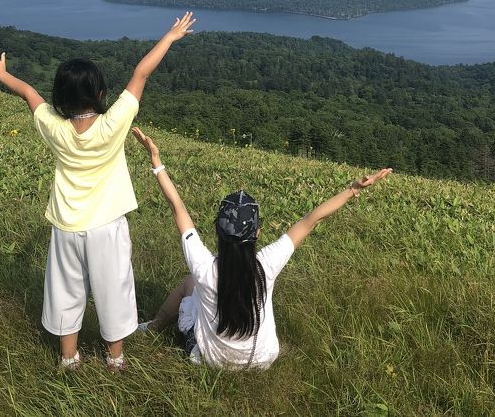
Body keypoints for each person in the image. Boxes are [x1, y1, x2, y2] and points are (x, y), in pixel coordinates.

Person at [0, 12, 196, 371]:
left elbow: (29, 94)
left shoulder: (53, 127)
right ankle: (115, 358)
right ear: (100, 93)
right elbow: (141, 73)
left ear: (59, 98)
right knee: (114, 289)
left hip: (66, 224)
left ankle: (68, 359)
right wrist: (170, 37)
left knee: (65, 292)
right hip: (107, 225)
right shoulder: (113, 124)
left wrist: (1, 75)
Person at [133, 127, 392, 369]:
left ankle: (154, 327)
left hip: (213, 360)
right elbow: (311, 221)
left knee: (188, 285)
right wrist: (354, 189)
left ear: (217, 230)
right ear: (257, 233)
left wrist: (156, 161)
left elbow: (177, 206)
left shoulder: (203, 266)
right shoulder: (266, 265)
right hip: (262, 358)